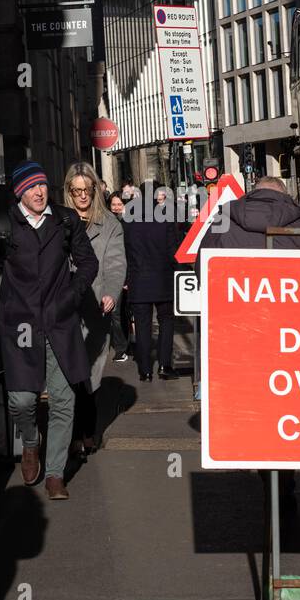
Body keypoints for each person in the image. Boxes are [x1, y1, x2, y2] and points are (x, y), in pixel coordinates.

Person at [0, 160, 99, 501]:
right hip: (20, 321)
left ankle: (55, 473)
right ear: (19, 193)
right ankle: (30, 442)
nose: (39, 192)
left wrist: (71, 295)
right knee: (22, 399)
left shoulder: (65, 220)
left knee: (64, 398)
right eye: (31, 188)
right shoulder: (1, 226)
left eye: (42, 186)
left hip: (59, 319)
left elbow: (89, 263)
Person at [201, 176, 300, 510]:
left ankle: (263, 467)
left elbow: (204, 272)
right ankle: (282, 479)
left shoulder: (224, 219)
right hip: (289, 335)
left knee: (253, 402)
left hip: (240, 333)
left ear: (253, 191)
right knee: (284, 405)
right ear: (283, 195)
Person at [63, 162, 126, 459]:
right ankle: (76, 434)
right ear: (68, 192)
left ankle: (87, 430)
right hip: (64, 308)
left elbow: (115, 264)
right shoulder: (58, 221)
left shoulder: (110, 225)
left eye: (86, 190)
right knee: (69, 373)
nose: (82, 196)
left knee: (92, 374)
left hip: (97, 305)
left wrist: (112, 293)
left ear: (94, 189)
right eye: (76, 191)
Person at [125, 183, 180, 381]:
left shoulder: (129, 221)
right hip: (163, 279)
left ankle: (145, 370)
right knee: (166, 321)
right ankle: (165, 365)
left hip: (138, 280)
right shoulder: (165, 219)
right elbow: (173, 250)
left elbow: (125, 253)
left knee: (142, 326)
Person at [106, 190, 133, 361]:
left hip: (126, 272)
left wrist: (129, 277)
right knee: (116, 312)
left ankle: (126, 342)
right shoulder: (106, 224)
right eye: (113, 205)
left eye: (119, 205)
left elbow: (131, 252)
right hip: (110, 273)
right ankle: (121, 347)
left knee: (125, 310)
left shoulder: (129, 225)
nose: (116, 208)